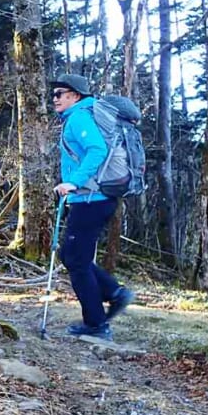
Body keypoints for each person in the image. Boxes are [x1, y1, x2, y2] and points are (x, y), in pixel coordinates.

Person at [50, 74, 135, 341]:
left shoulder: (79, 117)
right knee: (74, 257)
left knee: (76, 260)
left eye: (60, 93)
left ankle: (97, 323)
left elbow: (96, 150)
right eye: (54, 94)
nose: (55, 98)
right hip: (94, 199)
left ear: (75, 95)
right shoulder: (80, 116)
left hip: (91, 199)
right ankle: (114, 293)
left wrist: (73, 182)